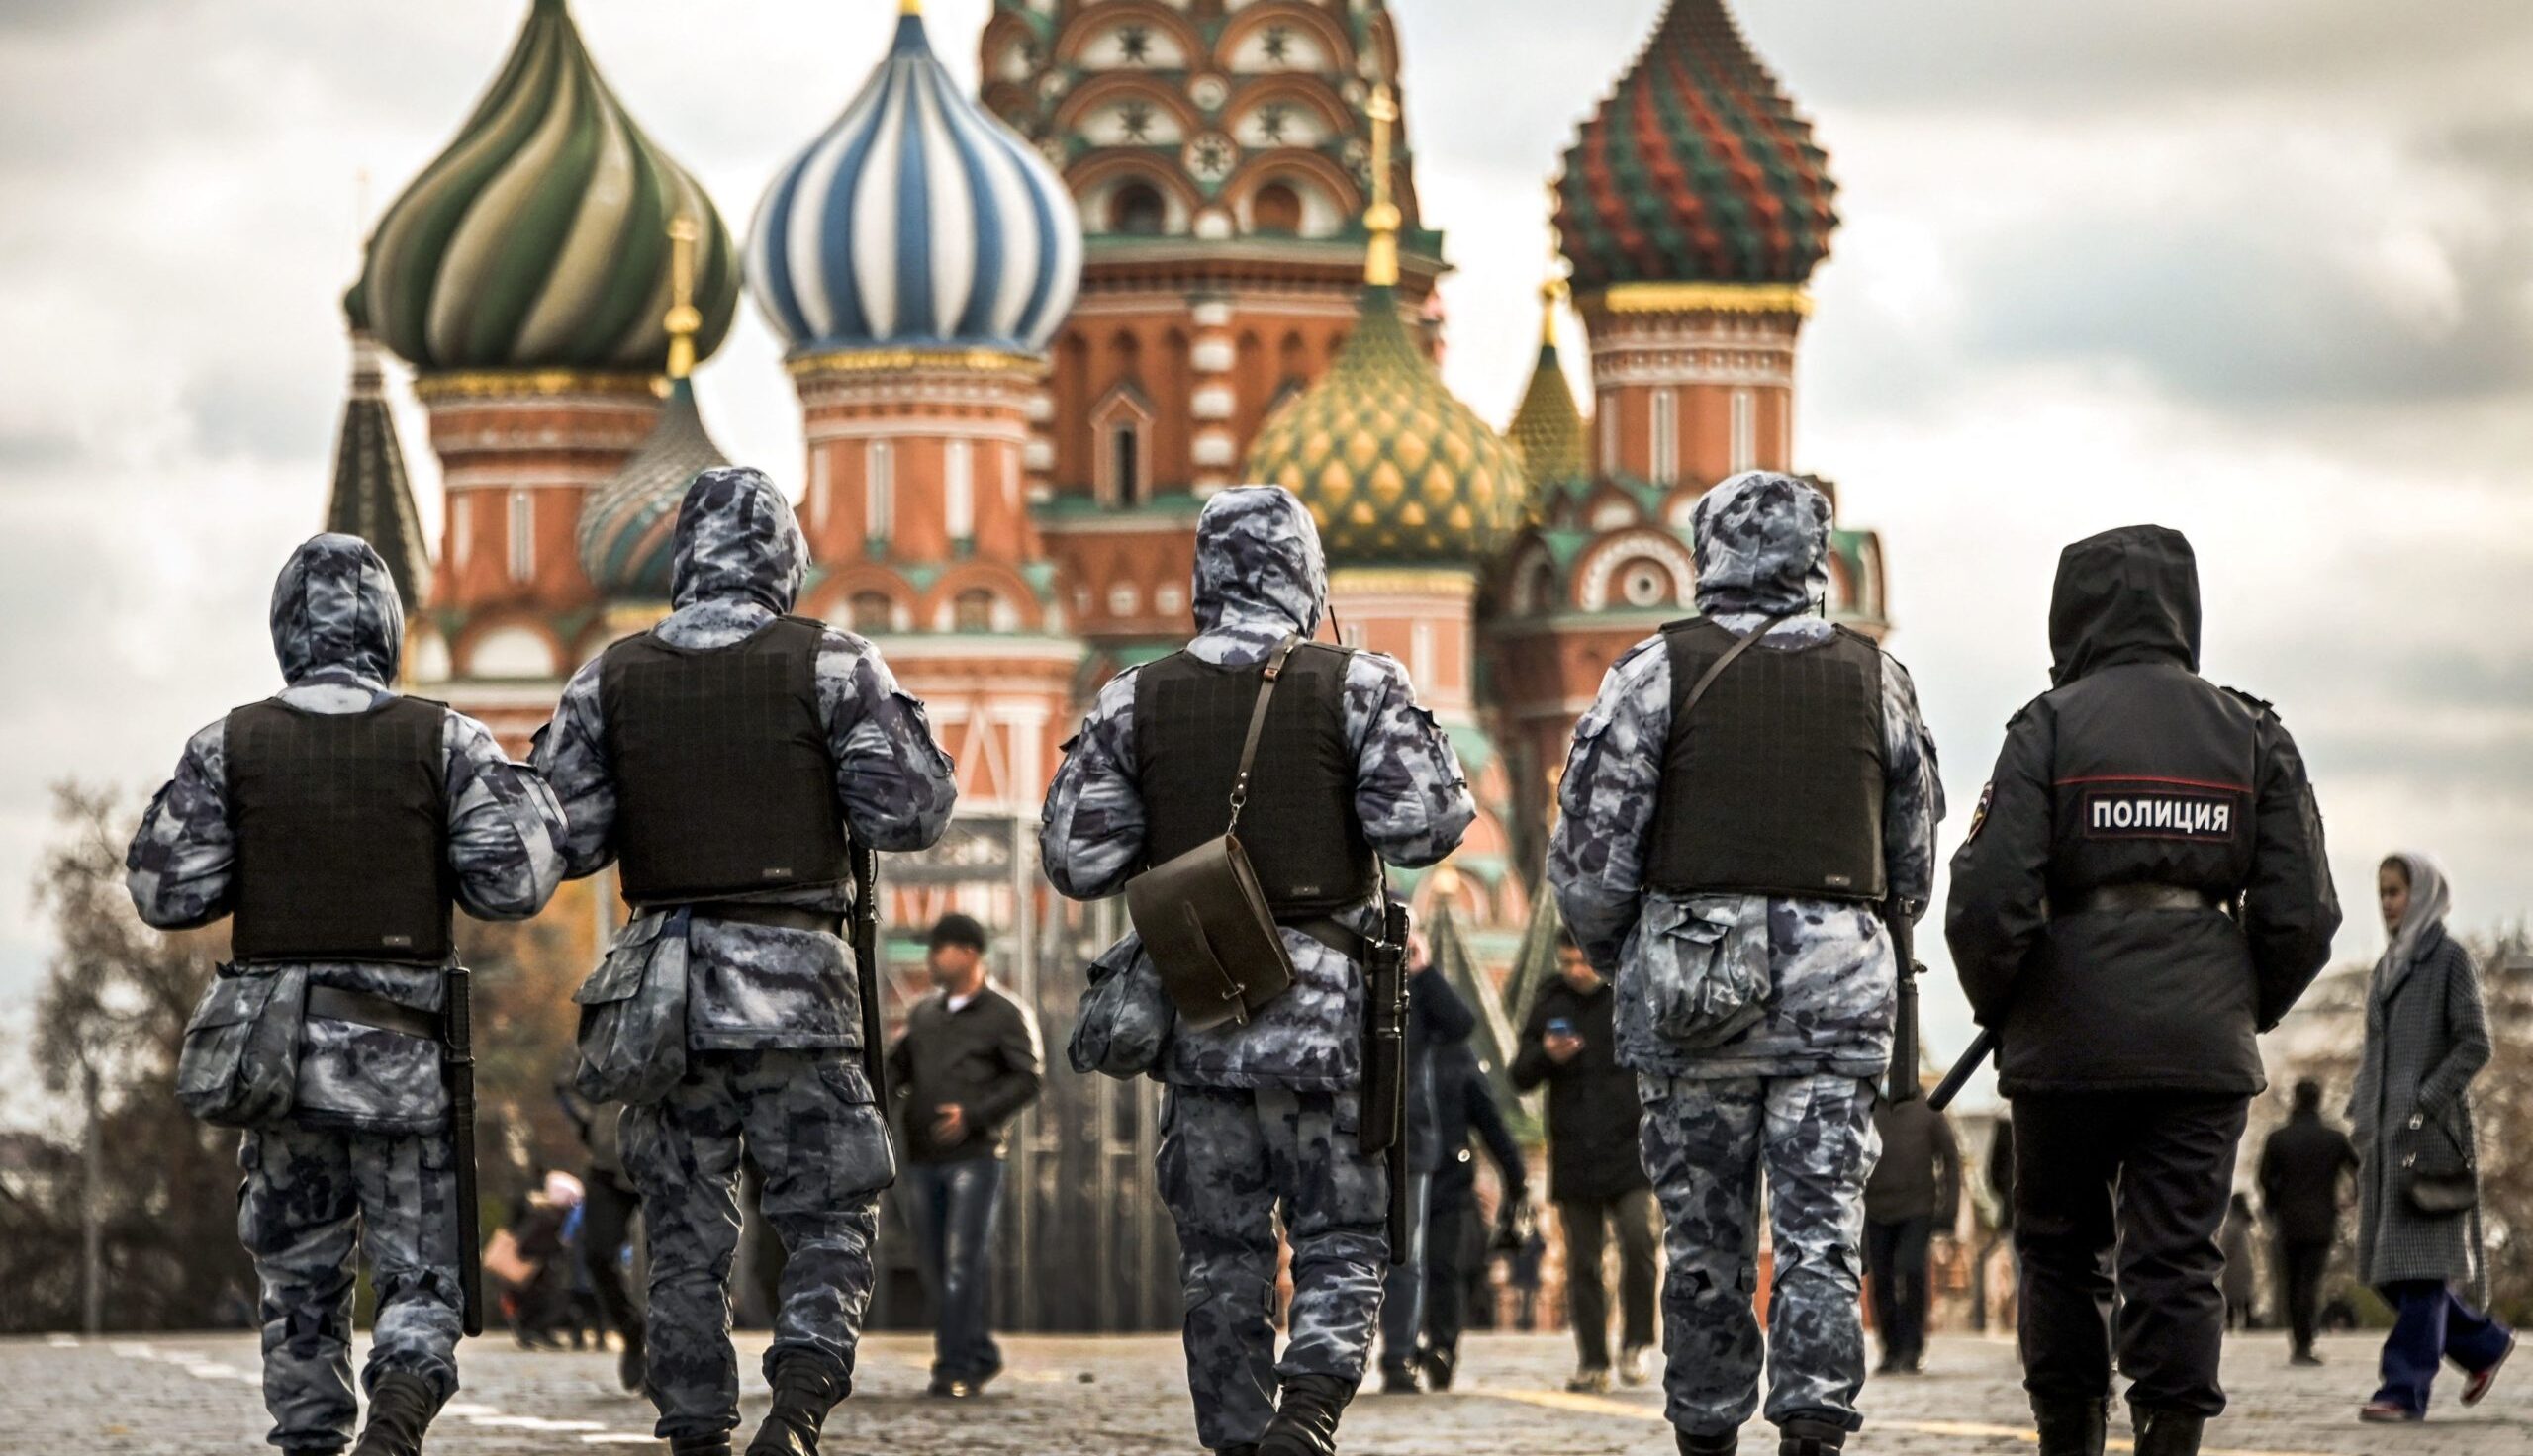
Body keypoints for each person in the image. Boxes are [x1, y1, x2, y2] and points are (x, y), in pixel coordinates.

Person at [1039, 484, 1472, 1456]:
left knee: (1220, 1246)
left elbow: (1076, 860)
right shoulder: (1356, 683)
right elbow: (1425, 826)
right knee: (1341, 1228)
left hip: (1199, 1009)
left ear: (1203, 575)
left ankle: (1237, 1433)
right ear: (1305, 574)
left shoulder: (1133, 694)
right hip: (1329, 1020)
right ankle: (1310, 1408)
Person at [534, 467, 959, 1456]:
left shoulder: (611, 674)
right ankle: (801, 1402)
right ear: (785, 557)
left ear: (686, 554)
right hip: (797, 991)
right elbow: (913, 811)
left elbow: (567, 837)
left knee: (681, 1227)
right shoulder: (833, 663)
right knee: (825, 1209)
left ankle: (694, 1427)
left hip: (665, 999)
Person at [128, 534, 566, 1456]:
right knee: (421, 1275)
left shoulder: (228, 744)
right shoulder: (445, 740)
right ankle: (400, 1406)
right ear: (388, 630)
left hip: (276, 1065)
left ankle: (311, 1441)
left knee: (298, 1277)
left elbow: (166, 893)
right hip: (402, 1062)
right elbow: (516, 883)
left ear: (286, 629)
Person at [1549, 472, 1943, 1456]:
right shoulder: (1875, 675)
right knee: (1819, 1228)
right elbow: (1913, 857)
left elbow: (1594, 858)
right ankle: (1813, 1414)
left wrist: (1625, 953)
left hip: (1693, 994)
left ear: (1705, 548)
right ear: (1813, 554)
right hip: (1838, 997)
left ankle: (1708, 1426)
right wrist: (1854, 937)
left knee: (1704, 1234)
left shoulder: (1651, 670)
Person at [1947, 524, 2340, 1456]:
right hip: (2200, 1039)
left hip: (2064, 1031)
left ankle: (2069, 1436)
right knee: (2178, 1257)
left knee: (2059, 1249)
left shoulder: (2045, 727)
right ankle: (2170, 1442)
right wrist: (2241, 1002)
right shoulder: (2252, 731)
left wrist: (2006, 1005)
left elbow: (1988, 900)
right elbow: (2303, 913)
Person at [2350, 852, 2513, 1423]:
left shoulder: (2450, 959)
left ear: (2421, 894)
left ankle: (2403, 1389)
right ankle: (2482, 1344)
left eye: (2396, 892)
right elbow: (2374, 1057)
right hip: (2385, 1142)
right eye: (2383, 893)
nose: (2389, 903)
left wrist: (2426, 1099)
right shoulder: (2385, 968)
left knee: (2420, 1270)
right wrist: (2359, 1117)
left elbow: (2476, 1042)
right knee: (2386, 1270)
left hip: (2431, 1138)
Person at [885, 912, 1045, 1400]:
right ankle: (978, 1352)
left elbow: (1028, 1077)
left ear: (969, 953)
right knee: (934, 1264)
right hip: (923, 1158)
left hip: (976, 1157)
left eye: (940, 948)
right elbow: (896, 1071)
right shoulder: (924, 1015)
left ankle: (953, 1366)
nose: (931, 958)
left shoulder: (1005, 1013)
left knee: (961, 1263)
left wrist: (973, 1116)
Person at [1510, 932, 1657, 1396]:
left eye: (1585, 962)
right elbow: (1519, 1074)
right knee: (1584, 1263)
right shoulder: (1551, 998)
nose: (1578, 971)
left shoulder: (1628, 991)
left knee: (1639, 1240)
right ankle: (1593, 1358)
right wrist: (1547, 1056)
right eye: (1570, 962)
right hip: (1574, 1151)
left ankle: (1637, 1341)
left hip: (1630, 1149)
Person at [1374, 940, 1478, 1394]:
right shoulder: (1347, 977)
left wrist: (1423, 969)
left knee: (1407, 1256)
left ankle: (1397, 1358)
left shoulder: (1416, 991)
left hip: (1410, 1138)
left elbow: (1461, 1024)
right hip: (1346, 1134)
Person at [1420, 1044, 1529, 1391]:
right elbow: (1492, 1124)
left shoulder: (1453, 1055)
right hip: (1436, 1177)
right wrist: (1517, 1181)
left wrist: (1516, 1180)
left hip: (1442, 1180)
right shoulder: (1457, 1054)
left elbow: (1491, 1123)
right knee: (1439, 1268)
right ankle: (1427, 1348)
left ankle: (1436, 1350)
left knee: (1439, 1267)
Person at [2256, 1078, 2357, 1367]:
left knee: (2291, 1282)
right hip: (2322, 1218)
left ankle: (2298, 1341)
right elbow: (2358, 1169)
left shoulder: (2278, 1138)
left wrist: (2273, 1206)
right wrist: (2350, 1201)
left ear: (2295, 1099)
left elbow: (2264, 1179)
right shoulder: (2334, 1138)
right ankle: (2306, 1341)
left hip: (2287, 1219)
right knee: (2310, 1282)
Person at [557, 1087, 648, 1391]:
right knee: (597, 1254)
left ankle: (668, 1352)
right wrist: (589, 1124)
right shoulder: (598, 1037)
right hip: (607, 1165)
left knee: (673, 1259)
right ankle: (632, 1332)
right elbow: (566, 1083)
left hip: (666, 1158)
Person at [1865, 1089, 1961, 1376]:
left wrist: (1949, 1209)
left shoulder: (1927, 1108)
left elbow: (1951, 1158)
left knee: (1910, 1269)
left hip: (1916, 1209)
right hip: (1875, 1208)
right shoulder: (1867, 1107)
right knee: (1880, 1278)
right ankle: (1890, 1349)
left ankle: (1912, 1347)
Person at [2219, 1195, 2258, 1331]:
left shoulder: (2231, 1224)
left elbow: (2224, 1246)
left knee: (2231, 1296)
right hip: (2247, 1264)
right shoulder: (2246, 1223)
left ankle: (2231, 1324)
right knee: (2245, 1296)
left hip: (2233, 1265)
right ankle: (2249, 1324)